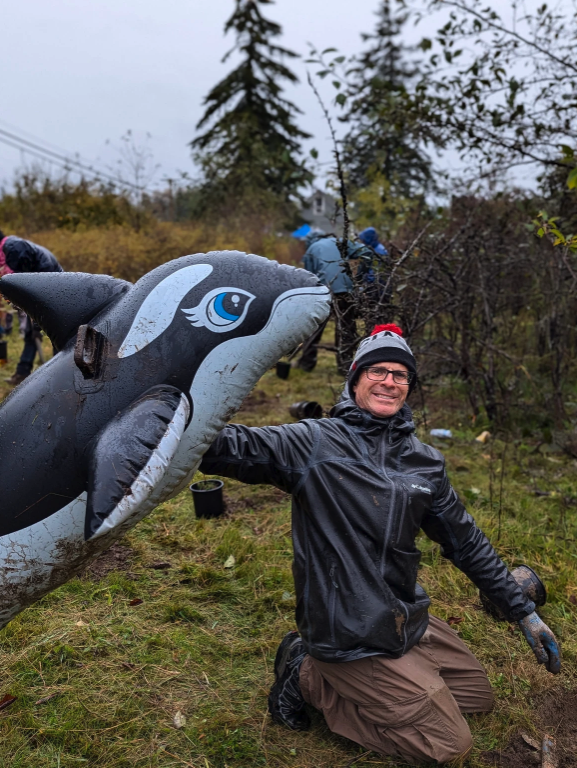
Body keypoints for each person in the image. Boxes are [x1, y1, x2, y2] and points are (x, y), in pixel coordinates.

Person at [200, 324, 560, 765]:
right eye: (377, 370)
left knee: (476, 697)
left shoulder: (424, 461)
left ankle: (400, 681)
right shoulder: (313, 443)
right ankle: (308, 673)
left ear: (409, 386)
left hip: (404, 615)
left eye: (401, 374)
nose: (389, 381)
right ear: (355, 379)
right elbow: (221, 446)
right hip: (348, 630)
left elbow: (466, 541)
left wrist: (522, 610)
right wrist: (183, 394)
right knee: (449, 746)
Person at [296, 229, 372, 375]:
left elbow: (309, 281)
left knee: (314, 328)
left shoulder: (311, 250)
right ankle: (345, 366)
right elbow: (367, 253)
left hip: (325, 291)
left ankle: (306, 363)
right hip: (347, 290)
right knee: (346, 328)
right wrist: (359, 278)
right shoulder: (339, 243)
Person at [0, 230, 63, 386]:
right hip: (40, 290)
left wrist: (35, 316)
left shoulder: (14, 247)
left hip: (51, 289)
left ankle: (62, 376)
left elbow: (24, 280)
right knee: (31, 334)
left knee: (57, 335)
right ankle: (22, 373)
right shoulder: (10, 247)